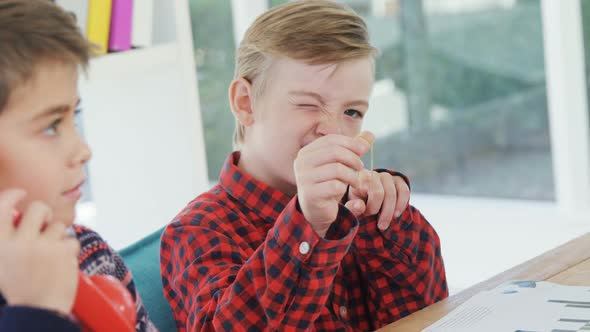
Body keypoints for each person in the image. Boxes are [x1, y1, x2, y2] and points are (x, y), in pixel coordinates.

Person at [160, 1, 448, 330]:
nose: (333, 129)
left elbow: (431, 315)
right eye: (309, 104)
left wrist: (390, 223)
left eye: (352, 112)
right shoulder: (199, 230)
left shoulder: (356, 207)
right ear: (245, 103)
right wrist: (307, 224)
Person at [0, 1, 156, 330]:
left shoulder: (90, 254)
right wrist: (35, 314)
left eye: (76, 115)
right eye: (51, 126)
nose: (83, 150)